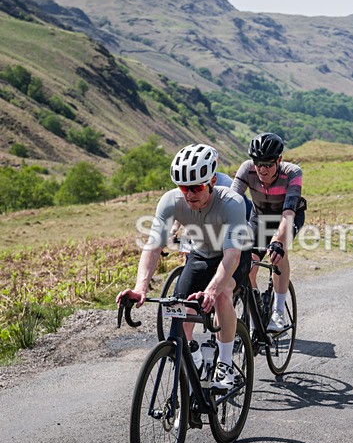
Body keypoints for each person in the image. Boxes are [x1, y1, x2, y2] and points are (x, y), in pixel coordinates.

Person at [116, 143, 250, 391]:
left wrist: (211, 290)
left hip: (231, 255)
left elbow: (232, 255)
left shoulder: (232, 201)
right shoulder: (170, 201)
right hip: (200, 254)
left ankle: (225, 362)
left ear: (211, 180)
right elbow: (153, 246)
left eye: (196, 187)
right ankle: (194, 356)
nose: (189, 195)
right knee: (179, 307)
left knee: (221, 295)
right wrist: (140, 287)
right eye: (183, 188)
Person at [232, 132, 304, 332]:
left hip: (287, 216)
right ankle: (256, 310)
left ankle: (278, 311)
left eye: (268, 164)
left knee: (277, 254)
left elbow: (288, 212)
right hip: (260, 218)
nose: (262, 169)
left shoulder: (292, 172)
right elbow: (231, 201)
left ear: (279, 160)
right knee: (249, 262)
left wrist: (277, 241)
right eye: (258, 163)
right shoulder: (247, 169)